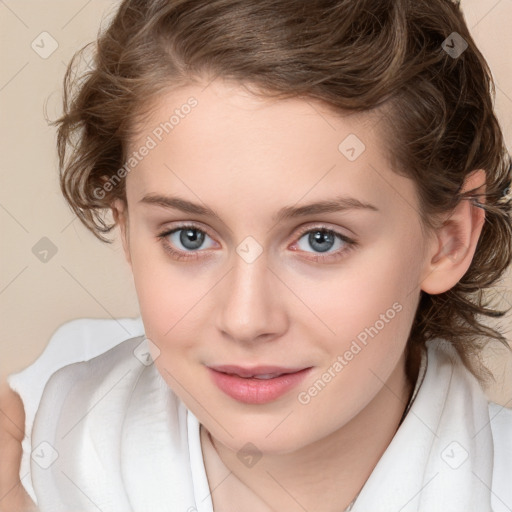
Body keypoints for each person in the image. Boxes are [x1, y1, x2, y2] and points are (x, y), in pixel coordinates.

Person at [1, 0, 512, 511]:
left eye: (320, 240)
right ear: (127, 226)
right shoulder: (32, 449)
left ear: (448, 241)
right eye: (190, 237)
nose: (246, 320)